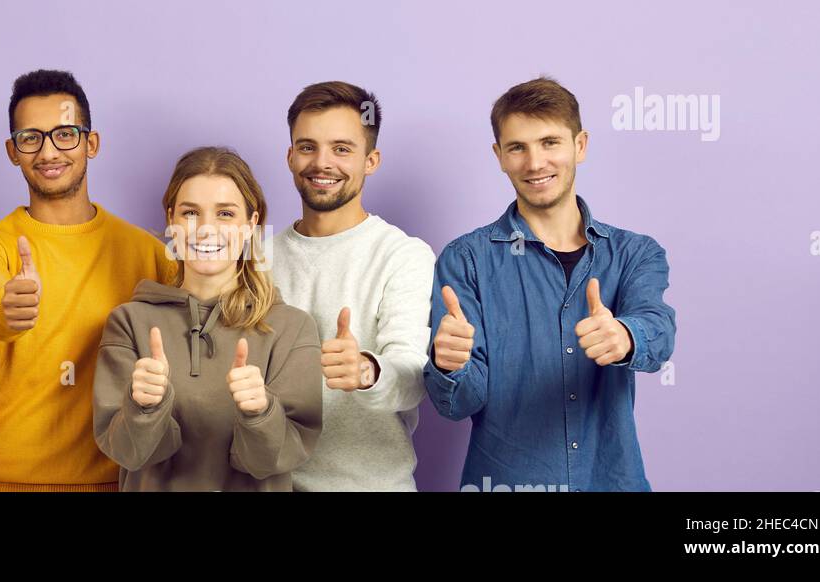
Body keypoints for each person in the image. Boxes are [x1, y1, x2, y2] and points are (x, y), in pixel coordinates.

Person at [425, 77, 677, 492]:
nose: (535, 163)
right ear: (499, 156)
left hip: (611, 480)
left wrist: (626, 336)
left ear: (580, 146)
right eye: (517, 147)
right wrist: (449, 365)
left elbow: (659, 330)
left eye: (549, 143)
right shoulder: (465, 259)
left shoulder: (636, 253)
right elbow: (458, 404)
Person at [0, 70, 174, 492]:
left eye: (65, 134)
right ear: (12, 151)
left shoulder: (150, 255)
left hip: (114, 477)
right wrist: (7, 307)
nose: (48, 151)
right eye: (30, 138)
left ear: (91, 143)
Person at [93, 146, 322, 491]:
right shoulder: (129, 323)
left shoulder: (292, 328)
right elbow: (129, 454)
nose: (205, 229)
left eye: (226, 214)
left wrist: (260, 412)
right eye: (190, 213)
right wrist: (143, 408)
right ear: (171, 220)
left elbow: (274, 461)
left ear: (251, 224)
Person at [264, 81, 436, 491]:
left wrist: (366, 370)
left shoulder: (403, 256)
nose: (322, 163)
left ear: (370, 159)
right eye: (307, 147)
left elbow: (412, 377)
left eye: (342, 149)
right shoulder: (254, 257)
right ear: (289, 156)